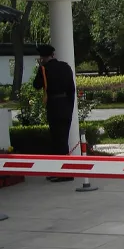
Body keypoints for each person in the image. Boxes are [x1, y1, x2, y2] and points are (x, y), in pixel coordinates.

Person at [32, 44, 75, 183]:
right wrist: (70, 106)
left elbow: (36, 85)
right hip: (66, 106)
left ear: (43, 57)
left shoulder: (44, 69)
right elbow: (71, 89)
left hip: (54, 107)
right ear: (53, 55)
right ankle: (60, 171)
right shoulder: (66, 67)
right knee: (63, 140)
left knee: (57, 141)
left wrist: (40, 69)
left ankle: (65, 173)